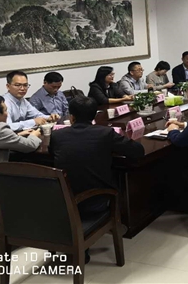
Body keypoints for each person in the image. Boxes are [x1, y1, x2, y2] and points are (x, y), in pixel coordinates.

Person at [49, 96, 144, 262]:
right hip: (96, 200)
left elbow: (53, 154)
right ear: (94, 116)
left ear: (71, 116)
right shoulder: (105, 133)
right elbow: (137, 151)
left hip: (62, 198)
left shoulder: (57, 135)